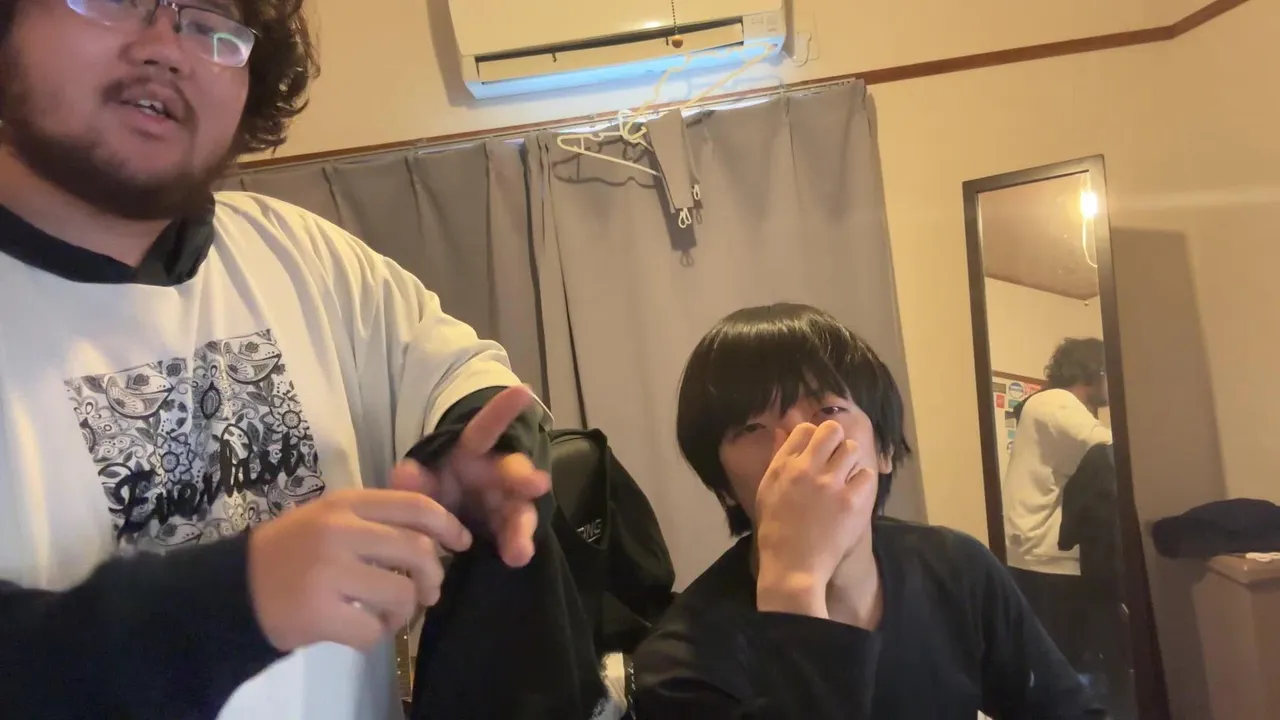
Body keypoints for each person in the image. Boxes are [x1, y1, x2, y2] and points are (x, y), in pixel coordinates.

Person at [0, 1, 601, 718]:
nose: (166, 47)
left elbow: (463, 376)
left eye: (207, 23)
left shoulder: (298, 255)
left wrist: (474, 461)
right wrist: (238, 597)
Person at [631, 303, 1102, 719]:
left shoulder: (956, 567)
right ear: (723, 486)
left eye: (828, 412)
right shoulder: (680, 666)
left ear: (884, 450)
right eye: (751, 428)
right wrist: (794, 588)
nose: (800, 447)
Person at [1002, 338, 1123, 708]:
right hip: (1047, 558)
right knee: (1066, 668)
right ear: (1094, 371)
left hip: (1038, 554)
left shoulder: (1048, 407)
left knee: (1059, 663)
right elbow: (1115, 449)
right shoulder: (1054, 402)